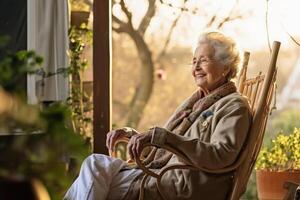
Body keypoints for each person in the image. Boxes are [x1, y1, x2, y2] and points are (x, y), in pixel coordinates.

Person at [64, 31, 252, 200]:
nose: (196, 67)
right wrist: (132, 135)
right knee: (94, 166)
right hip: (161, 174)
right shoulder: (197, 103)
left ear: (225, 67)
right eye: (194, 61)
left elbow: (220, 155)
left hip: (180, 185)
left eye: (203, 60)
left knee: (94, 169)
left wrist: (163, 137)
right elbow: (165, 150)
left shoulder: (234, 105)